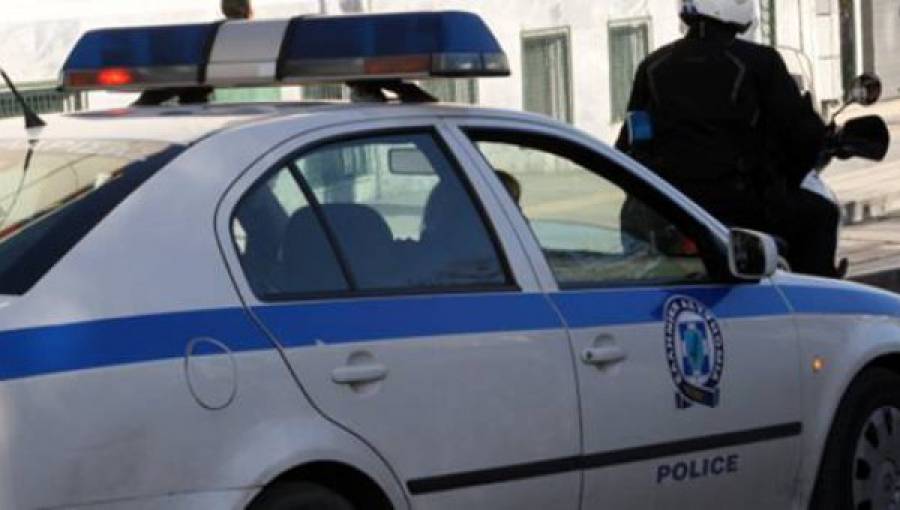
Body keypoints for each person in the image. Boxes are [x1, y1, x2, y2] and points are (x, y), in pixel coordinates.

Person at [616, 0, 842, 277]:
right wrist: (783, 179)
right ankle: (814, 298)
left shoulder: (652, 65)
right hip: (742, 205)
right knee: (822, 215)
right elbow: (804, 135)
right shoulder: (760, 61)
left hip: (669, 209)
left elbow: (627, 145)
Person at [133, 0, 253, 107]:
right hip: (202, 76)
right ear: (246, 9)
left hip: (192, 73)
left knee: (169, 91)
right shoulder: (249, 31)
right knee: (191, 94)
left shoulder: (212, 28)